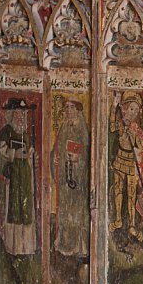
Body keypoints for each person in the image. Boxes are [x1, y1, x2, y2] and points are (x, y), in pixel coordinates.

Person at [109, 91, 143, 241]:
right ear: (125, 108)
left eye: (135, 110)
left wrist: (135, 136)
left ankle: (132, 224)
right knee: (118, 188)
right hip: (119, 159)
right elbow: (112, 127)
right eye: (130, 108)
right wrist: (113, 107)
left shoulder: (136, 128)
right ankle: (118, 220)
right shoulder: (121, 124)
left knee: (131, 193)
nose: (132, 112)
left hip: (131, 162)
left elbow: (142, 146)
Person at [52, 97, 90, 266]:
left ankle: (80, 247)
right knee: (65, 211)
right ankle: (66, 246)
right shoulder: (64, 127)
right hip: (65, 178)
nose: (68, 110)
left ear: (78, 110)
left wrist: (78, 158)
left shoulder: (82, 129)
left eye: (71, 107)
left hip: (78, 179)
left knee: (78, 212)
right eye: (66, 107)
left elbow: (87, 153)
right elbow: (58, 149)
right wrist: (56, 158)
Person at [0, 96, 37, 256]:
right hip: (13, 175)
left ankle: (26, 248)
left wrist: (31, 155)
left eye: (23, 113)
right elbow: (1, 151)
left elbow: (29, 152)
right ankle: (13, 247)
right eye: (18, 113)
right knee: (14, 209)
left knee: (26, 210)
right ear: (12, 114)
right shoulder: (6, 131)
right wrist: (15, 154)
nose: (21, 116)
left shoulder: (25, 134)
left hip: (25, 175)